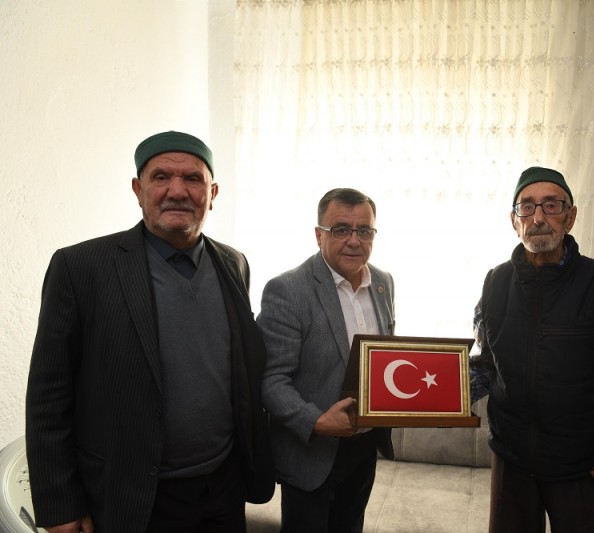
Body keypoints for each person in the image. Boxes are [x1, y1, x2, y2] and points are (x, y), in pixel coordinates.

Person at [25, 131, 275, 533]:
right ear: (138, 190)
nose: (177, 191)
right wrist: (60, 506)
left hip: (223, 489)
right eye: (161, 177)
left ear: (212, 193)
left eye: (192, 179)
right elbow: (48, 397)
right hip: (131, 496)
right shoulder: (81, 267)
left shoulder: (234, 263)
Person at [470, 166, 594, 533]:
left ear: (570, 217)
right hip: (512, 461)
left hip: (588, 467)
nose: (538, 218)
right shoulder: (494, 284)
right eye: (527, 207)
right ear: (514, 221)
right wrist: (432, 398)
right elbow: (485, 365)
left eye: (551, 205)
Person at [257, 188, 395, 533]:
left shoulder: (383, 283)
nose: (354, 240)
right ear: (319, 235)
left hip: (365, 448)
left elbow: (385, 359)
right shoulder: (288, 289)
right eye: (341, 229)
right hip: (312, 453)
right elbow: (271, 380)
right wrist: (317, 421)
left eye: (364, 230)